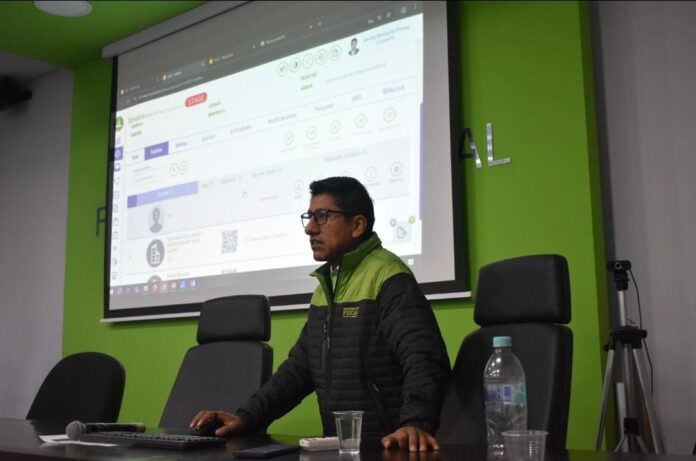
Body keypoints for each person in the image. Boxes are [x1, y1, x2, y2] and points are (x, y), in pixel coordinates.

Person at [190, 176, 450, 451]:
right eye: (309, 217)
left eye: (322, 216)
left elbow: (423, 356)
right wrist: (246, 418)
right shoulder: (326, 288)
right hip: (343, 449)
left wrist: (415, 423)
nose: (310, 228)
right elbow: (299, 369)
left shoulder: (388, 277)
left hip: (390, 449)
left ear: (357, 225)